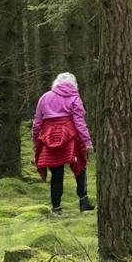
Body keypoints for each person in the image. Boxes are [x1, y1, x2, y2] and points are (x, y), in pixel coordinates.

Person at [33, 72, 94, 214]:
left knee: (56, 173)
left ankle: (56, 207)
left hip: (49, 137)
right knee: (80, 167)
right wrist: (87, 142)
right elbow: (80, 122)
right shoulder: (74, 98)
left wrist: (36, 141)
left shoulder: (44, 97)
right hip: (70, 137)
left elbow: (37, 123)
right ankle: (83, 201)